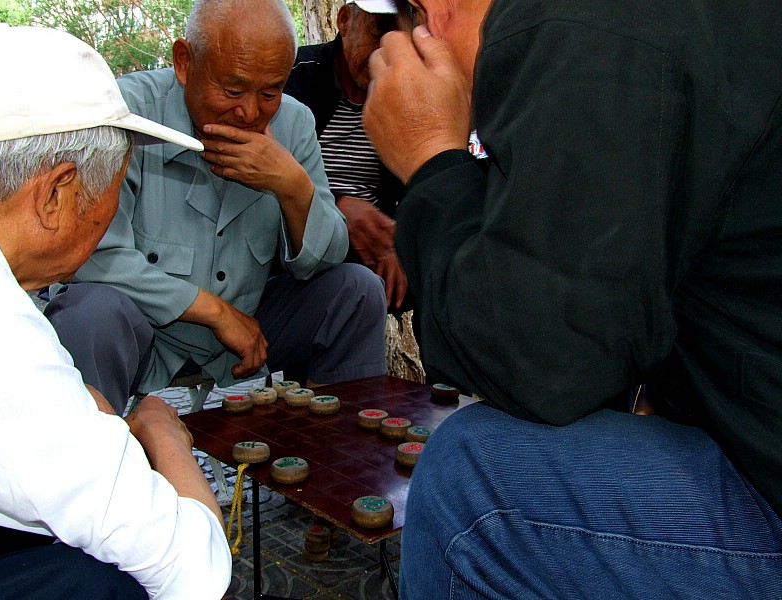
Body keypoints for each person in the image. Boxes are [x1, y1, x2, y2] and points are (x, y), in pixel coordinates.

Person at [364, 0, 782, 597]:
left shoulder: (567, 24)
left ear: (433, 11)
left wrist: (432, 158)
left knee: (471, 479)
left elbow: (538, 360)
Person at [0, 26, 231, 599]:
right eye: (119, 184)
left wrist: (67, 419)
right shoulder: (2, 340)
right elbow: (198, 574)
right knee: (108, 584)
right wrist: (163, 435)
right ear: (55, 194)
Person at [44, 0, 388, 416]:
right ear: (184, 62)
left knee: (356, 291)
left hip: (252, 332)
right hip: (143, 335)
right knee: (89, 313)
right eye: (232, 90)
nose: (249, 113)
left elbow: (325, 260)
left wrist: (292, 185)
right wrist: (216, 313)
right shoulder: (124, 114)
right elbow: (91, 257)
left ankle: (333, 457)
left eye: (270, 92)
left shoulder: (294, 122)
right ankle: (93, 467)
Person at [284, 0, 409, 309]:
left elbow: (416, 186)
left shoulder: (402, 95)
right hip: (295, 241)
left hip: (372, 248)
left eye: (399, 41)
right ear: (343, 21)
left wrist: (404, 244)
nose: (384, 54)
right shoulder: (295, 77)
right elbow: (266, 173)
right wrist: (336, 205)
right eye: (377, 35)